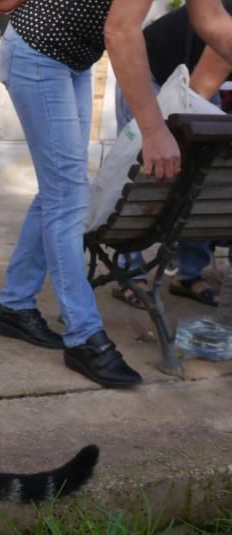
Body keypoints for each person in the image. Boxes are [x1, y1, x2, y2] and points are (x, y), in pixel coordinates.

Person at [0, 0, 232, 389]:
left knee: (59, 191)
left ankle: (14, 305)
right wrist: (153, 131)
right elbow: (120, 31)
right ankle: (84, 336)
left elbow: (213, 20)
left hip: (73, 61)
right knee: (67, 196)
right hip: (37, 52)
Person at [111, 1, 232, 309]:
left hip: (193, 76)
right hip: (150, 68)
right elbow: (195, 96)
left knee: (205, 180)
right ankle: (129, 272)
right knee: (147, 168)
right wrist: (159, 135)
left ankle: (188, 275)